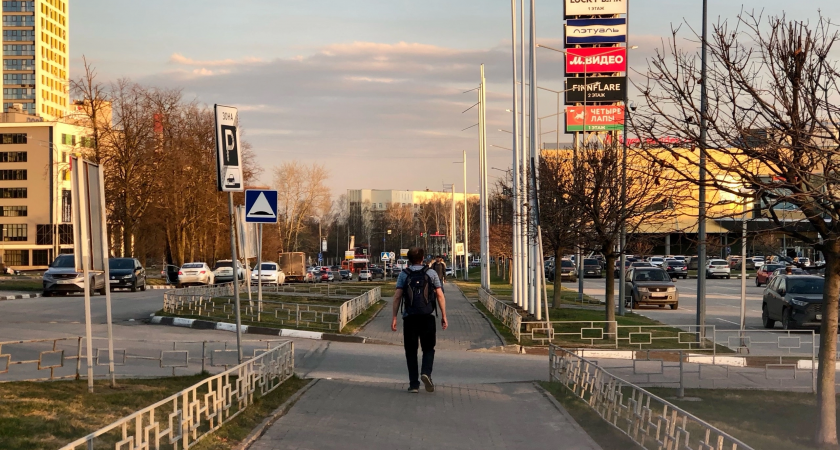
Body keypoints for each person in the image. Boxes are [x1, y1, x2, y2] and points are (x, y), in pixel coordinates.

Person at [392, 247, 448, 393]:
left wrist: (394, 317)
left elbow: (397, 296)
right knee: (428, 348)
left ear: (409, 259)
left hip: (409, 317)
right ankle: (426, 372)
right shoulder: (431, 273)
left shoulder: (404, 274)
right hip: (427, 317)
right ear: (423, 258)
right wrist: (443, 315)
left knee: (411, 351)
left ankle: (414, 384)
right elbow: (440, 295)